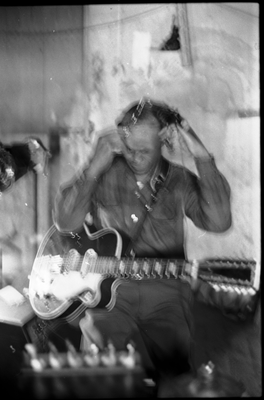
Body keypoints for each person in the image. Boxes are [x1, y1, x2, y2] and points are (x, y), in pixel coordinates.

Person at [52, 98, 232, 394]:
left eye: (144, 151)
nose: (135, 157)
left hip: (165, 291)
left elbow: (220, 221)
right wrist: (93, 166)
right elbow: (65, 222)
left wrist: (200, 153)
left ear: (163, 141)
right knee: (96, 374)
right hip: (110, 292)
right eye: (128, 149)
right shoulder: (104, 174)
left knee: (175, 372)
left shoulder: (178, 180)